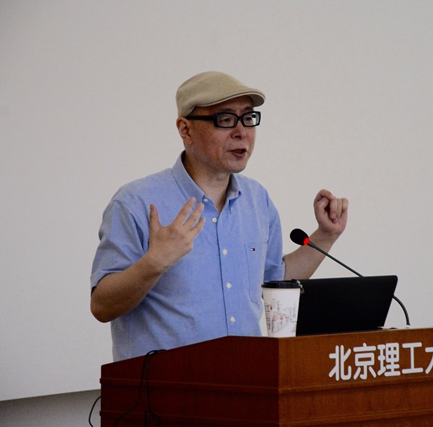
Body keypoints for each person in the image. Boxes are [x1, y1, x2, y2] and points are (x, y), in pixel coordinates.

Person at [90, 71, 348, 361]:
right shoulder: (136, 202)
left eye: (248, 118)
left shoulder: (257, 200)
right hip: (168, 385)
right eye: (225, 119)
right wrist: (154, 263)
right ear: (186, 130)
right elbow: (102, 306)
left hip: (244, 379)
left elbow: (276, 280)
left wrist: (325, 236)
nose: (241, 132)